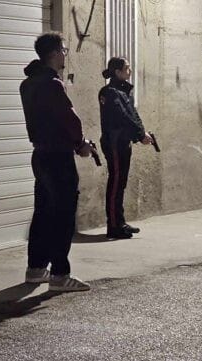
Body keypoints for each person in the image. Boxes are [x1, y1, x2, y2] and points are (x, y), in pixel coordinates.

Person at [19, 32, 95, 291]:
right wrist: (81, 144)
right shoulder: (52, 84)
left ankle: (36, 268)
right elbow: (69, 119)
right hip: (58, 157)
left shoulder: (28, 84)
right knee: (63, 214)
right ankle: (60, 275)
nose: (65, 54)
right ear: (53, 53)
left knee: (43, 211)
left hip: (40, 155)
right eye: (63, 49)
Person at [98, 57, 153, 239]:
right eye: (127, 68)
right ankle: (113, 226)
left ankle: (120, 222)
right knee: (115, 183)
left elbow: (133, 114)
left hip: (123, 142)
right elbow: (123, 117)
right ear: (118, 72)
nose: (130, 71)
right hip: (114, 143)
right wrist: (140, 135)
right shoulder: (109, 92)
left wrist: (142, 133)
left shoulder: (124, 92)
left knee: (120, 183)